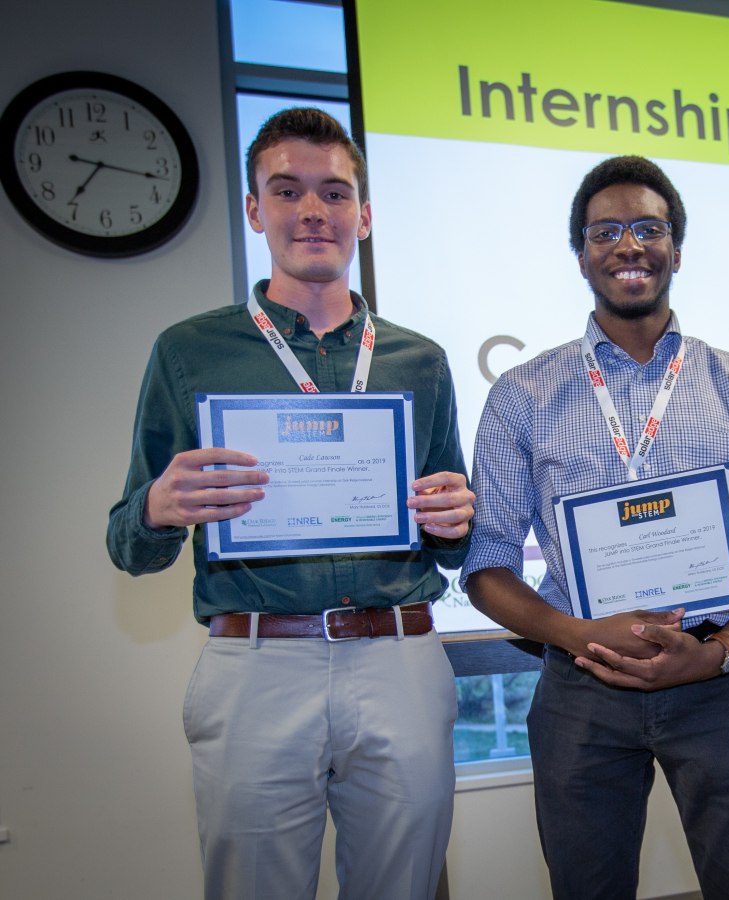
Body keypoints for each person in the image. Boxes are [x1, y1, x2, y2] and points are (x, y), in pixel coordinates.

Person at [106, 108, 474, 900]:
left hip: (400, 659)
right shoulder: (189, 350)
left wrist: (457, 520)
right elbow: (128, 545)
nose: (313, 210)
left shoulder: (422, 360)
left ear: (364, 215)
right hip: (256, 664)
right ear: (254, 210)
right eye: (287, 190)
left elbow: (451, 540)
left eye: (335, 193)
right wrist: (157, 507)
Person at [462, 156, 729, 900]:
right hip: (580, 689)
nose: (629, 246)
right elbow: (487, 560)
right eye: (607, 232)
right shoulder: (521, 394)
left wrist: (719, 651)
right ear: (581, 255)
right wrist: (576, 634)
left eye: (649, 229)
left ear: (677, 250)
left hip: (716, 684)